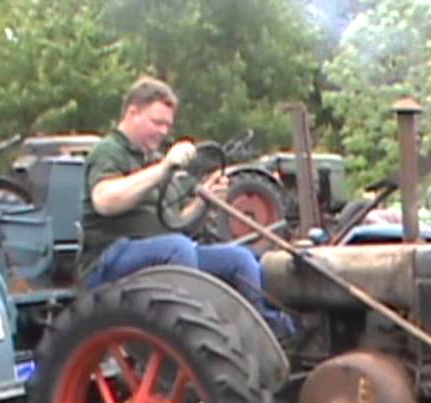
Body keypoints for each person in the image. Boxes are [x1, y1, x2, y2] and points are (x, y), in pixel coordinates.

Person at [79, 76, 291, 333]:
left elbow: (176, 222)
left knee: (239, 258)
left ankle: (268, 332)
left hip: (163, 251)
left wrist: (203, 201)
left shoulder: (152, 158)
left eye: (167, 125)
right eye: (157, 122)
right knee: (178, 248)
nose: (163, 131)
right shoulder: (109, 151)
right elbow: (104, 201)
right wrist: (164, 167)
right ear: (133, 113)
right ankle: (191, 336)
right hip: (109, 257)